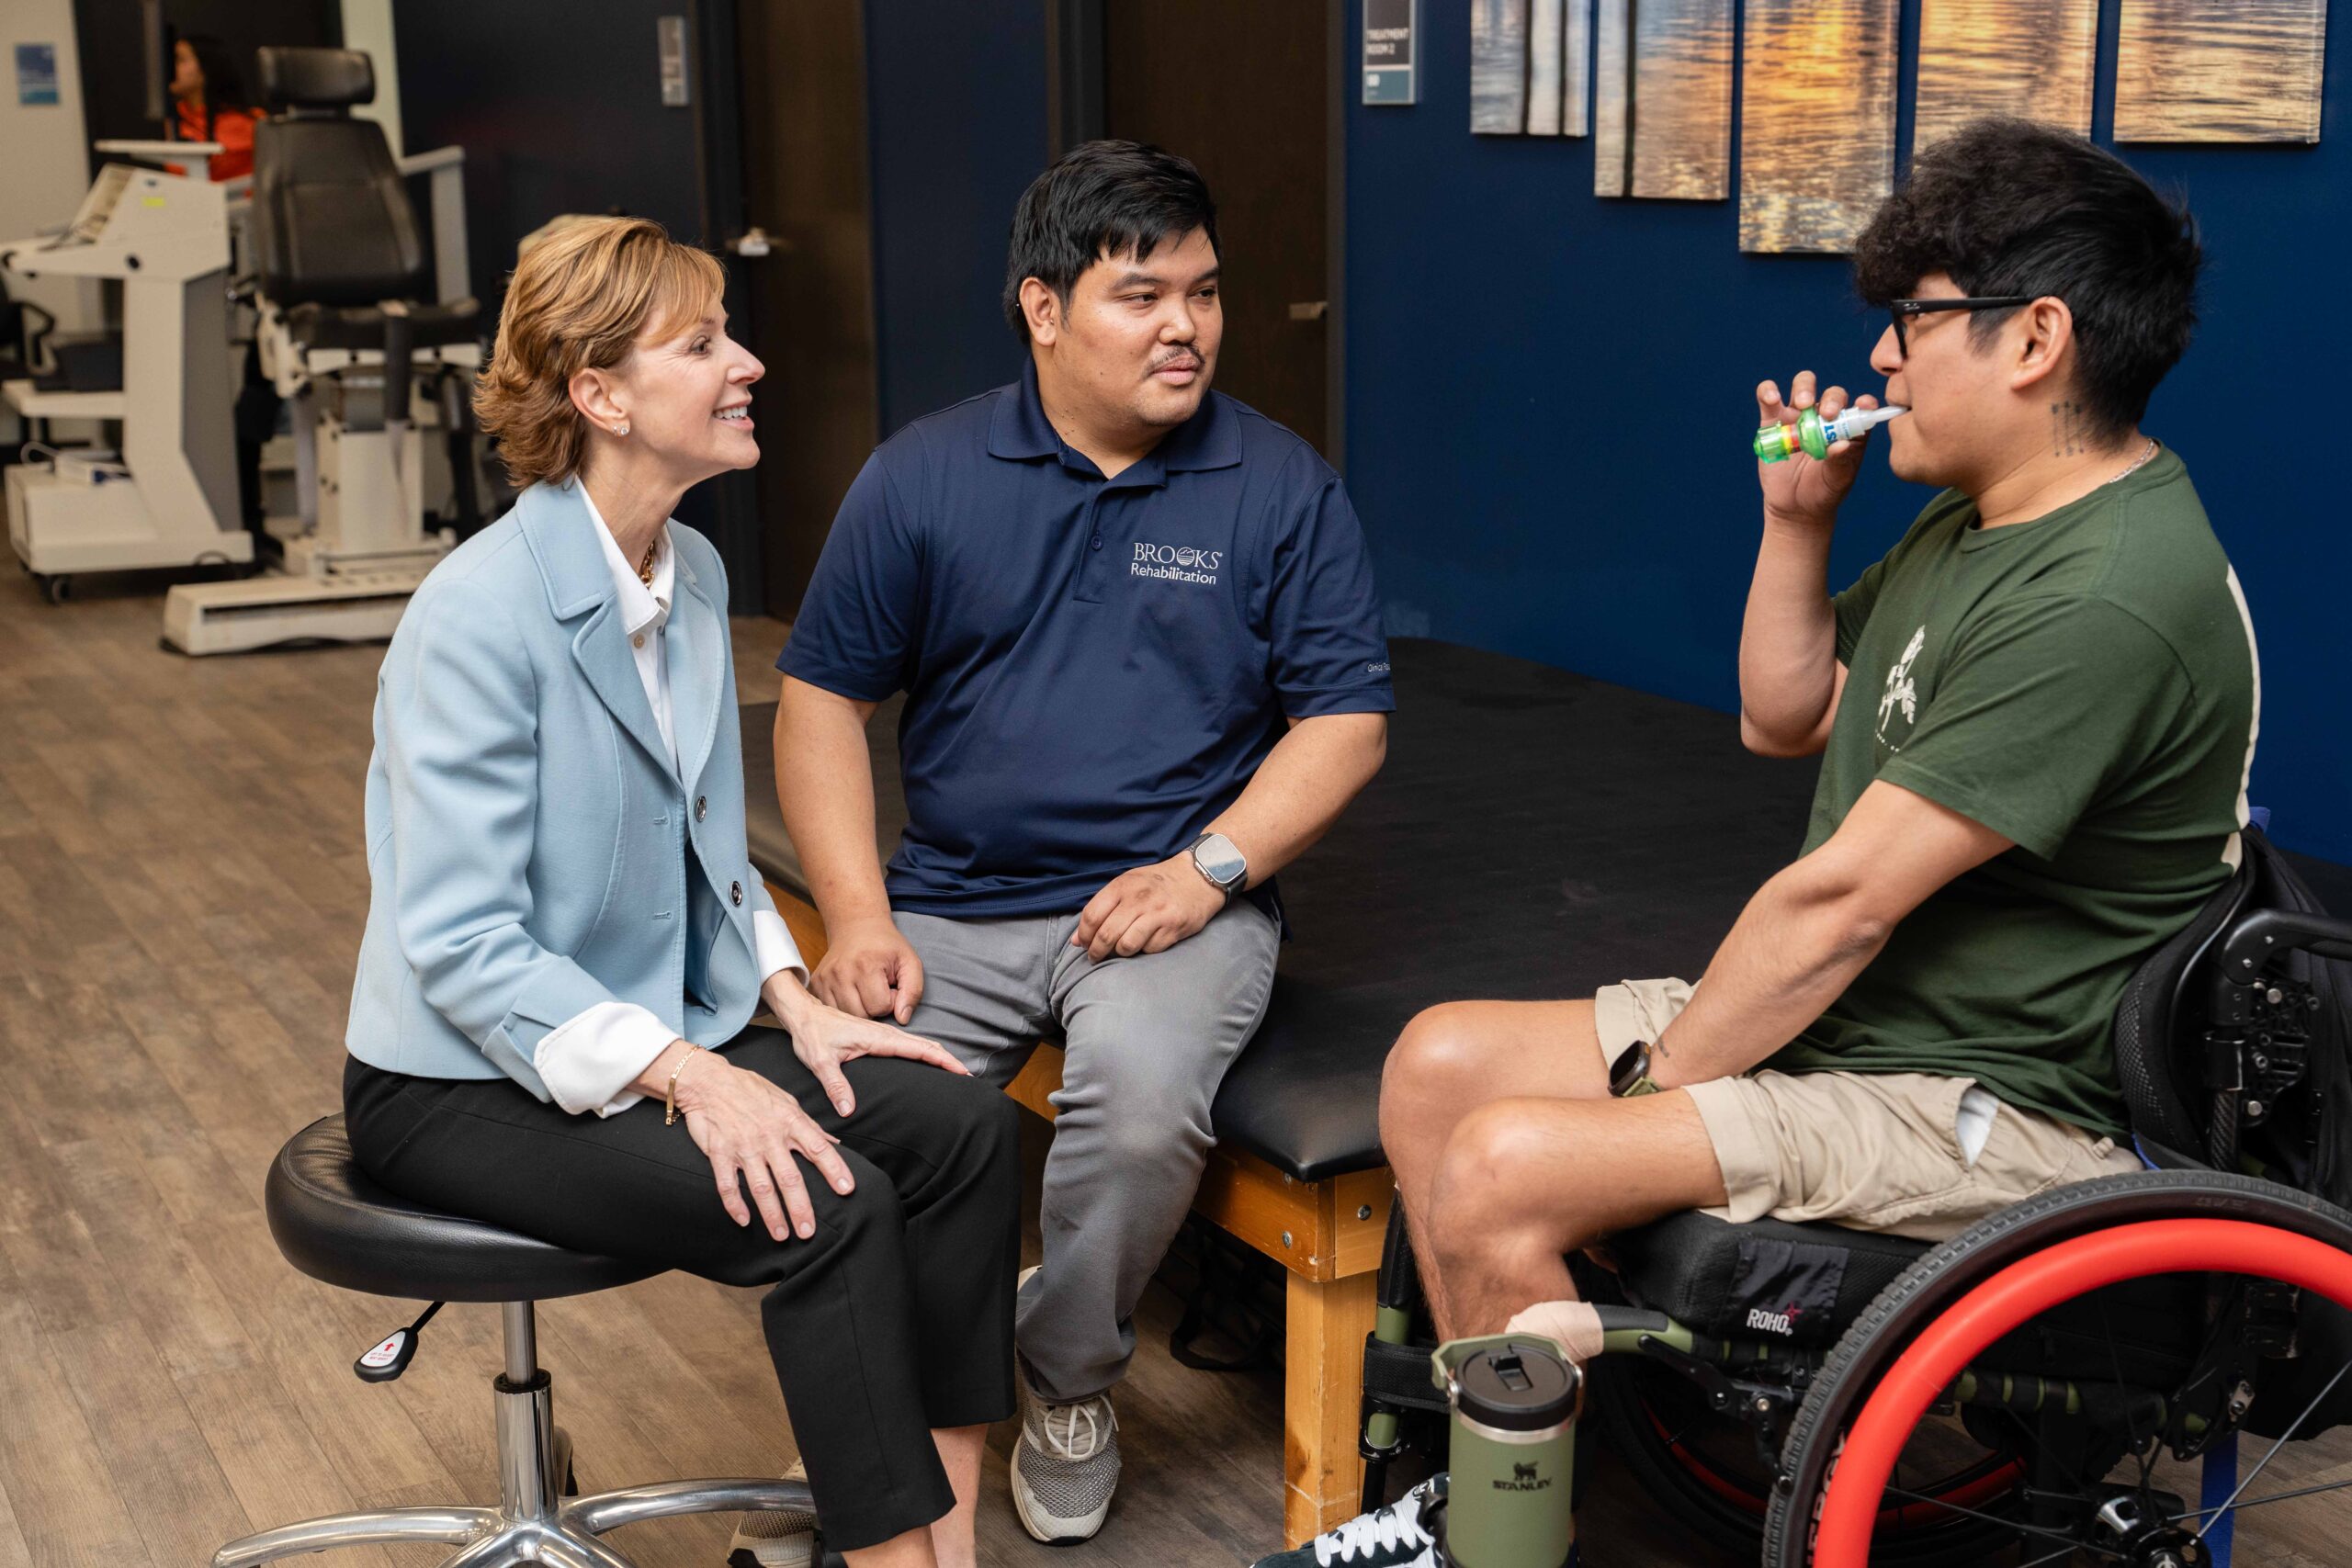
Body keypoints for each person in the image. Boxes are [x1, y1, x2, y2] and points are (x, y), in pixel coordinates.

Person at [1264, 117, 2256, 1568]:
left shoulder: (2105, 592)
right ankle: (1489, 1499)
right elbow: (1782, 715)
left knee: (1498, 1167)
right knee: (1433, 1067)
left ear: (2036, 338)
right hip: (1881, 1033)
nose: (1883, 361)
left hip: (1996, 1095)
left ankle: (1507, 1534)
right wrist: (1798, 523)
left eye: (1913, 321)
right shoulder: (1978, 522)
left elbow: (1842, 900)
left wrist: (1649, 1091)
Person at [341, 215, 1019, 1568]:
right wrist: (700, 1077)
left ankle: (948, 1548)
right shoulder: (477, 615)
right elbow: (465, 944)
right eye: (704, 343)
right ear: (599, 394)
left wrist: (793, 1005)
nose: (748, 362)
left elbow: (706, 841)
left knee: (960, 1128)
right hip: (459, 1083)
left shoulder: (688, 571)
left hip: (649, 1023)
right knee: (827, 1199)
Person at [775, 140, 1392, 1543]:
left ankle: (1066, 1377)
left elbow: (1344, 723)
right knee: (836, 1120)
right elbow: (819, 702)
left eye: (1206, 293)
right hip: (955, 900)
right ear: (1043, 310)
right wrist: (859, 917)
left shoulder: (1278, 484)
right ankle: (889, 1422)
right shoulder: (925, 475)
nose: (1185, 326)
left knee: (1139, 1092)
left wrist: (1208, 870)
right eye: (1140, 294)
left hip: (1173, 900)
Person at [168, 35, 262, 182]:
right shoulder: (172, 118)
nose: (170, 68)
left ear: (207, 68)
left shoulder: (249, 122)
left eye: (180, 60)